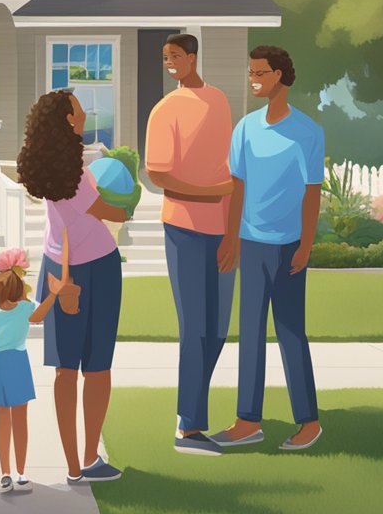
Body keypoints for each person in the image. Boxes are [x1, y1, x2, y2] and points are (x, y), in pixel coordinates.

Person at [213, 46, 324, 451]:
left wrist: (306, 245)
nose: (253, 78)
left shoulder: (308, 132)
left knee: (291, 331)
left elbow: (313, 193)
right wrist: (230, 237)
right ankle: (247, 420)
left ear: (280, 76)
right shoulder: (245, 128)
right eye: (250, 72)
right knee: (251, 333)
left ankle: (308, 422)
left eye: (260, 72)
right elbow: (236, 187)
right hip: (251, 243)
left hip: (290, 246)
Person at [17, 90, 129, 484]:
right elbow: (111, 211)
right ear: (68, 120)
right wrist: (127, 207)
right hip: (96, 266)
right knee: (97, 367)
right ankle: (88, 456)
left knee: (66, 369)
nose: (84, 114)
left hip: (58, 267)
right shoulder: (78, 174)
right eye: (79, 111)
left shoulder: (44, 167)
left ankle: (73, 466)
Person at [144, 33, 236, 457]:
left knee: (217, 329)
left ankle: (189, 411)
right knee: (195, 327)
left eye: (176, 56)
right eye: (165, 58)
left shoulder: (218, 100)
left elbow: (230, 170)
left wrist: (233, 229)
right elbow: (159, 175)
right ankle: (190, 428)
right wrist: (209, 193)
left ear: (193, 57)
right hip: (183, 228)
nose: (170, 63)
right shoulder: (164, 111)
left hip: (223, 230)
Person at [0, 248, 58, 493]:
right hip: (17, 365)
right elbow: (41, 314)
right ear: (17, 290)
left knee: (4, 422)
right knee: (20, 422)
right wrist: (54, 294)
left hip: (0, 367)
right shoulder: (24, 310)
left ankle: (7, 474)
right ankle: (18, 473)